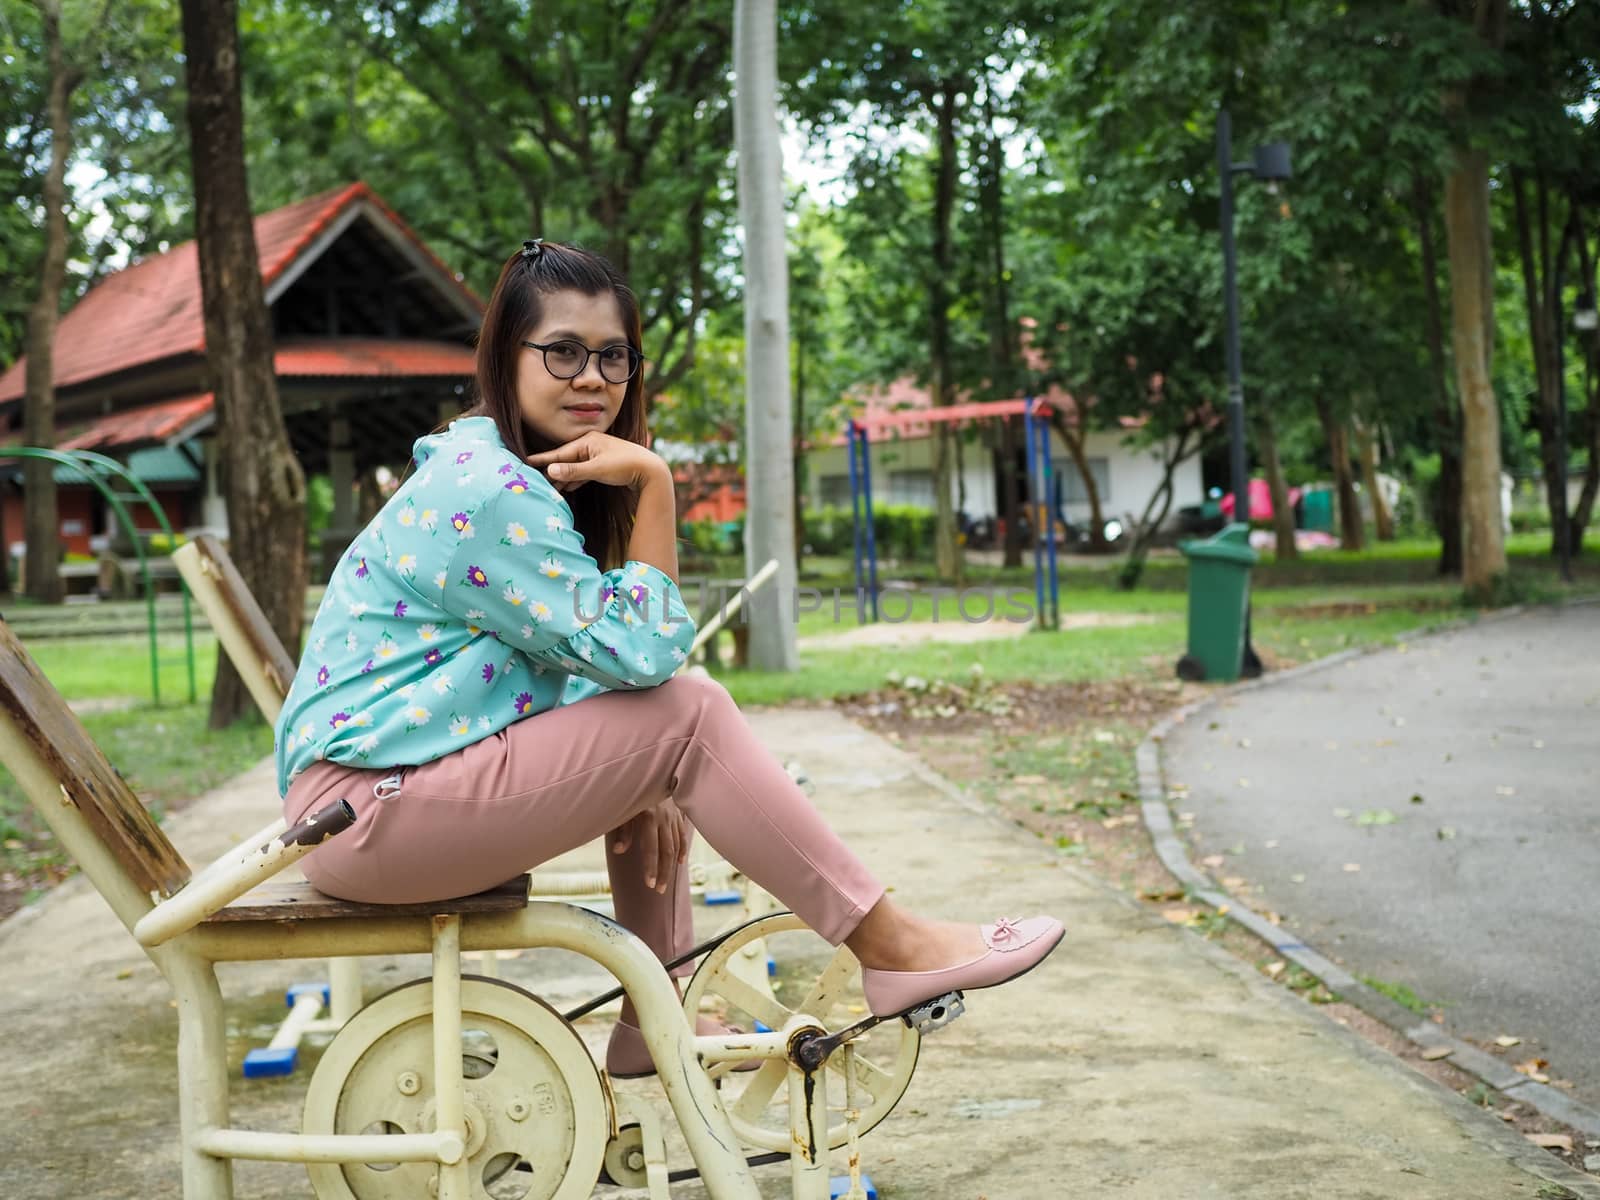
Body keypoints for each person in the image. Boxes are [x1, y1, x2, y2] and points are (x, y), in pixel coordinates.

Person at [275, 239, 1062, 1077]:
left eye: (613, 356)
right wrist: (655, 481)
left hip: (373, 807)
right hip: (367, 817)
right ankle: (892, 944)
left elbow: (592, 667)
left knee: (667, 747)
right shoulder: (489, 490)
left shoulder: (498, 472)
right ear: (507, 358)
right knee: (690, 715)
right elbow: (647, 658)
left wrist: (640, 780)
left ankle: (658, 1016)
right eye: (564, 351)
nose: (593, 378)